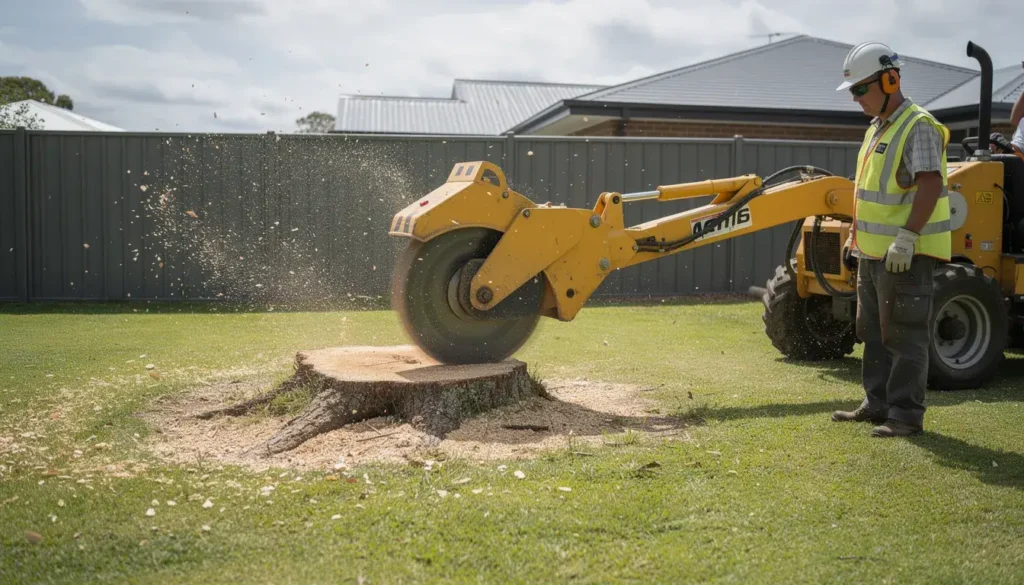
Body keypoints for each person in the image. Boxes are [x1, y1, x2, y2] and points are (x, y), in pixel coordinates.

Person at [831, 41, 952, 438]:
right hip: (872, 252)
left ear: (890, 79)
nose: (856, 99)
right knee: (875, 331)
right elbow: (867, 193)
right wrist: (855, 238)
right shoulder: (877, 129)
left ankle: (905, 415)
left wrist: (907, 237)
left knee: (904, 333)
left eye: (860, 89)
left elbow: (930, 185)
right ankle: (877, 402)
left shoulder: (918, 126)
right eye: (852, 92)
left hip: (906, 253)